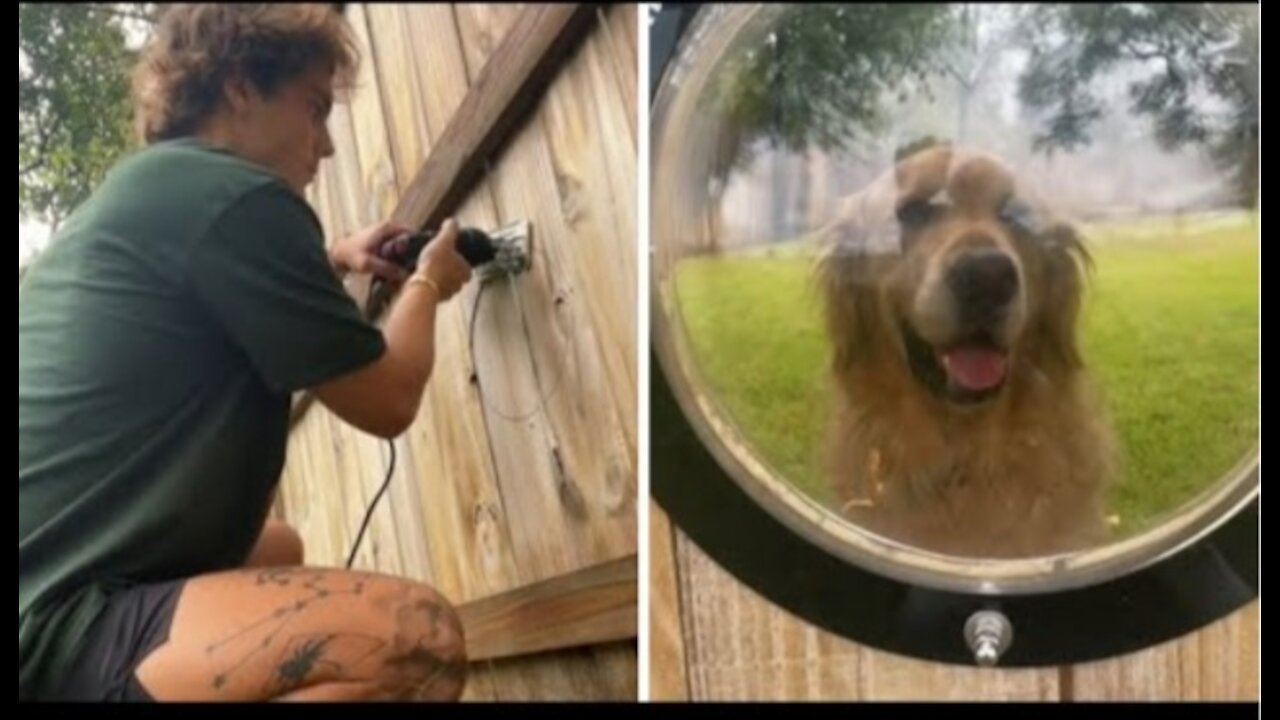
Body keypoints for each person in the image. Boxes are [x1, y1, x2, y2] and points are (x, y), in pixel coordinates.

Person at [19, 4, 473, 702]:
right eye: (315, 109)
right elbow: (389, 398)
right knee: (418, 641)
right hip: (54, 628)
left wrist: (331, 257)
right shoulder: (235, 196)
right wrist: (427, 283)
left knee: (278, 548)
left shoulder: (161, 192)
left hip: (56, 580)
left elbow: (202, 294)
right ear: (239, 87)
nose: (324, 146)